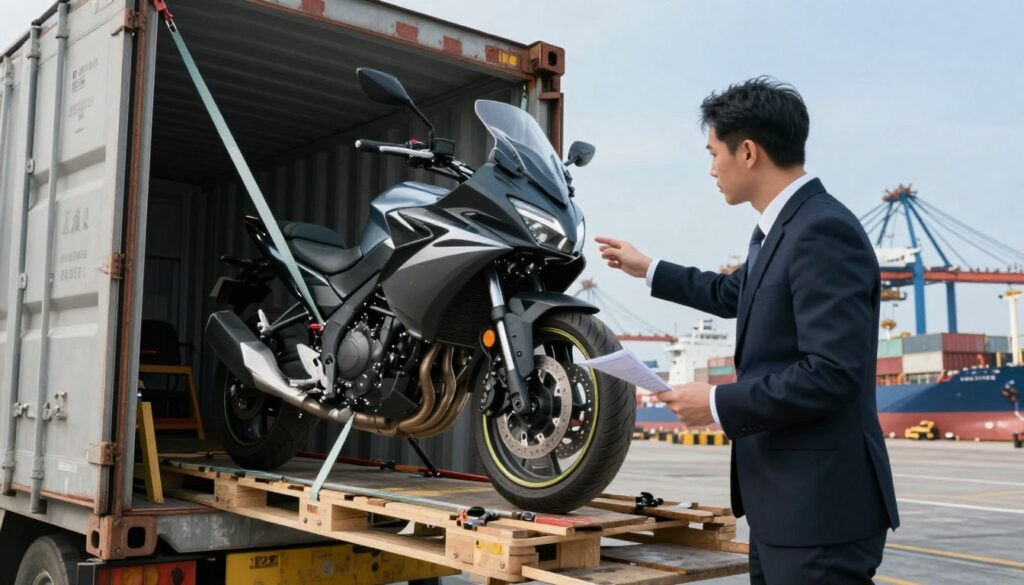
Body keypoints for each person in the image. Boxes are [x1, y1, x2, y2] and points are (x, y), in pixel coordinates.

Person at [596, 77, 899, 584]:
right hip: (786, 508)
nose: (712, 168)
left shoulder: (821, 230)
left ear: (749, 152)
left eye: (714, 153)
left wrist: (716, 403)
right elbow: (731, 295)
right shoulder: (780, 230)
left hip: (821, 514)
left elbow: (833, 373)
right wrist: (647, 267)